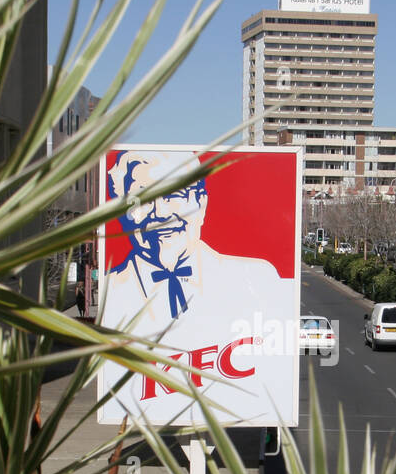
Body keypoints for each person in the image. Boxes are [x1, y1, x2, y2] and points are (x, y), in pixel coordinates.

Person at [97, 149, 295, 424]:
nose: (161, 213)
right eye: (144, 199)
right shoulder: (113, 293)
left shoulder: (258, 279)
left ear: (200, 204)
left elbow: (272, 372)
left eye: (175, 195)